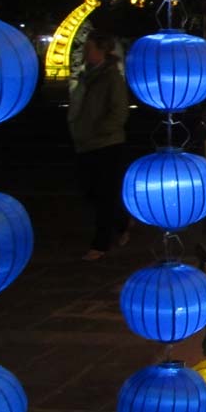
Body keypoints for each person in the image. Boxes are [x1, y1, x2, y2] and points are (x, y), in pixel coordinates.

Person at [68, 31, 130, 262]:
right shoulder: (87, 75)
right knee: (91, 193)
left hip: (106, 144)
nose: (86, 52)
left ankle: (101, 243)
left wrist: (99, 130)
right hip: (85, 143)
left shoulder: (111, 77)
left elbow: (119, 111)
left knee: (104, 195)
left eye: (90, 48)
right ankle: (122, 222)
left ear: (102, 50)